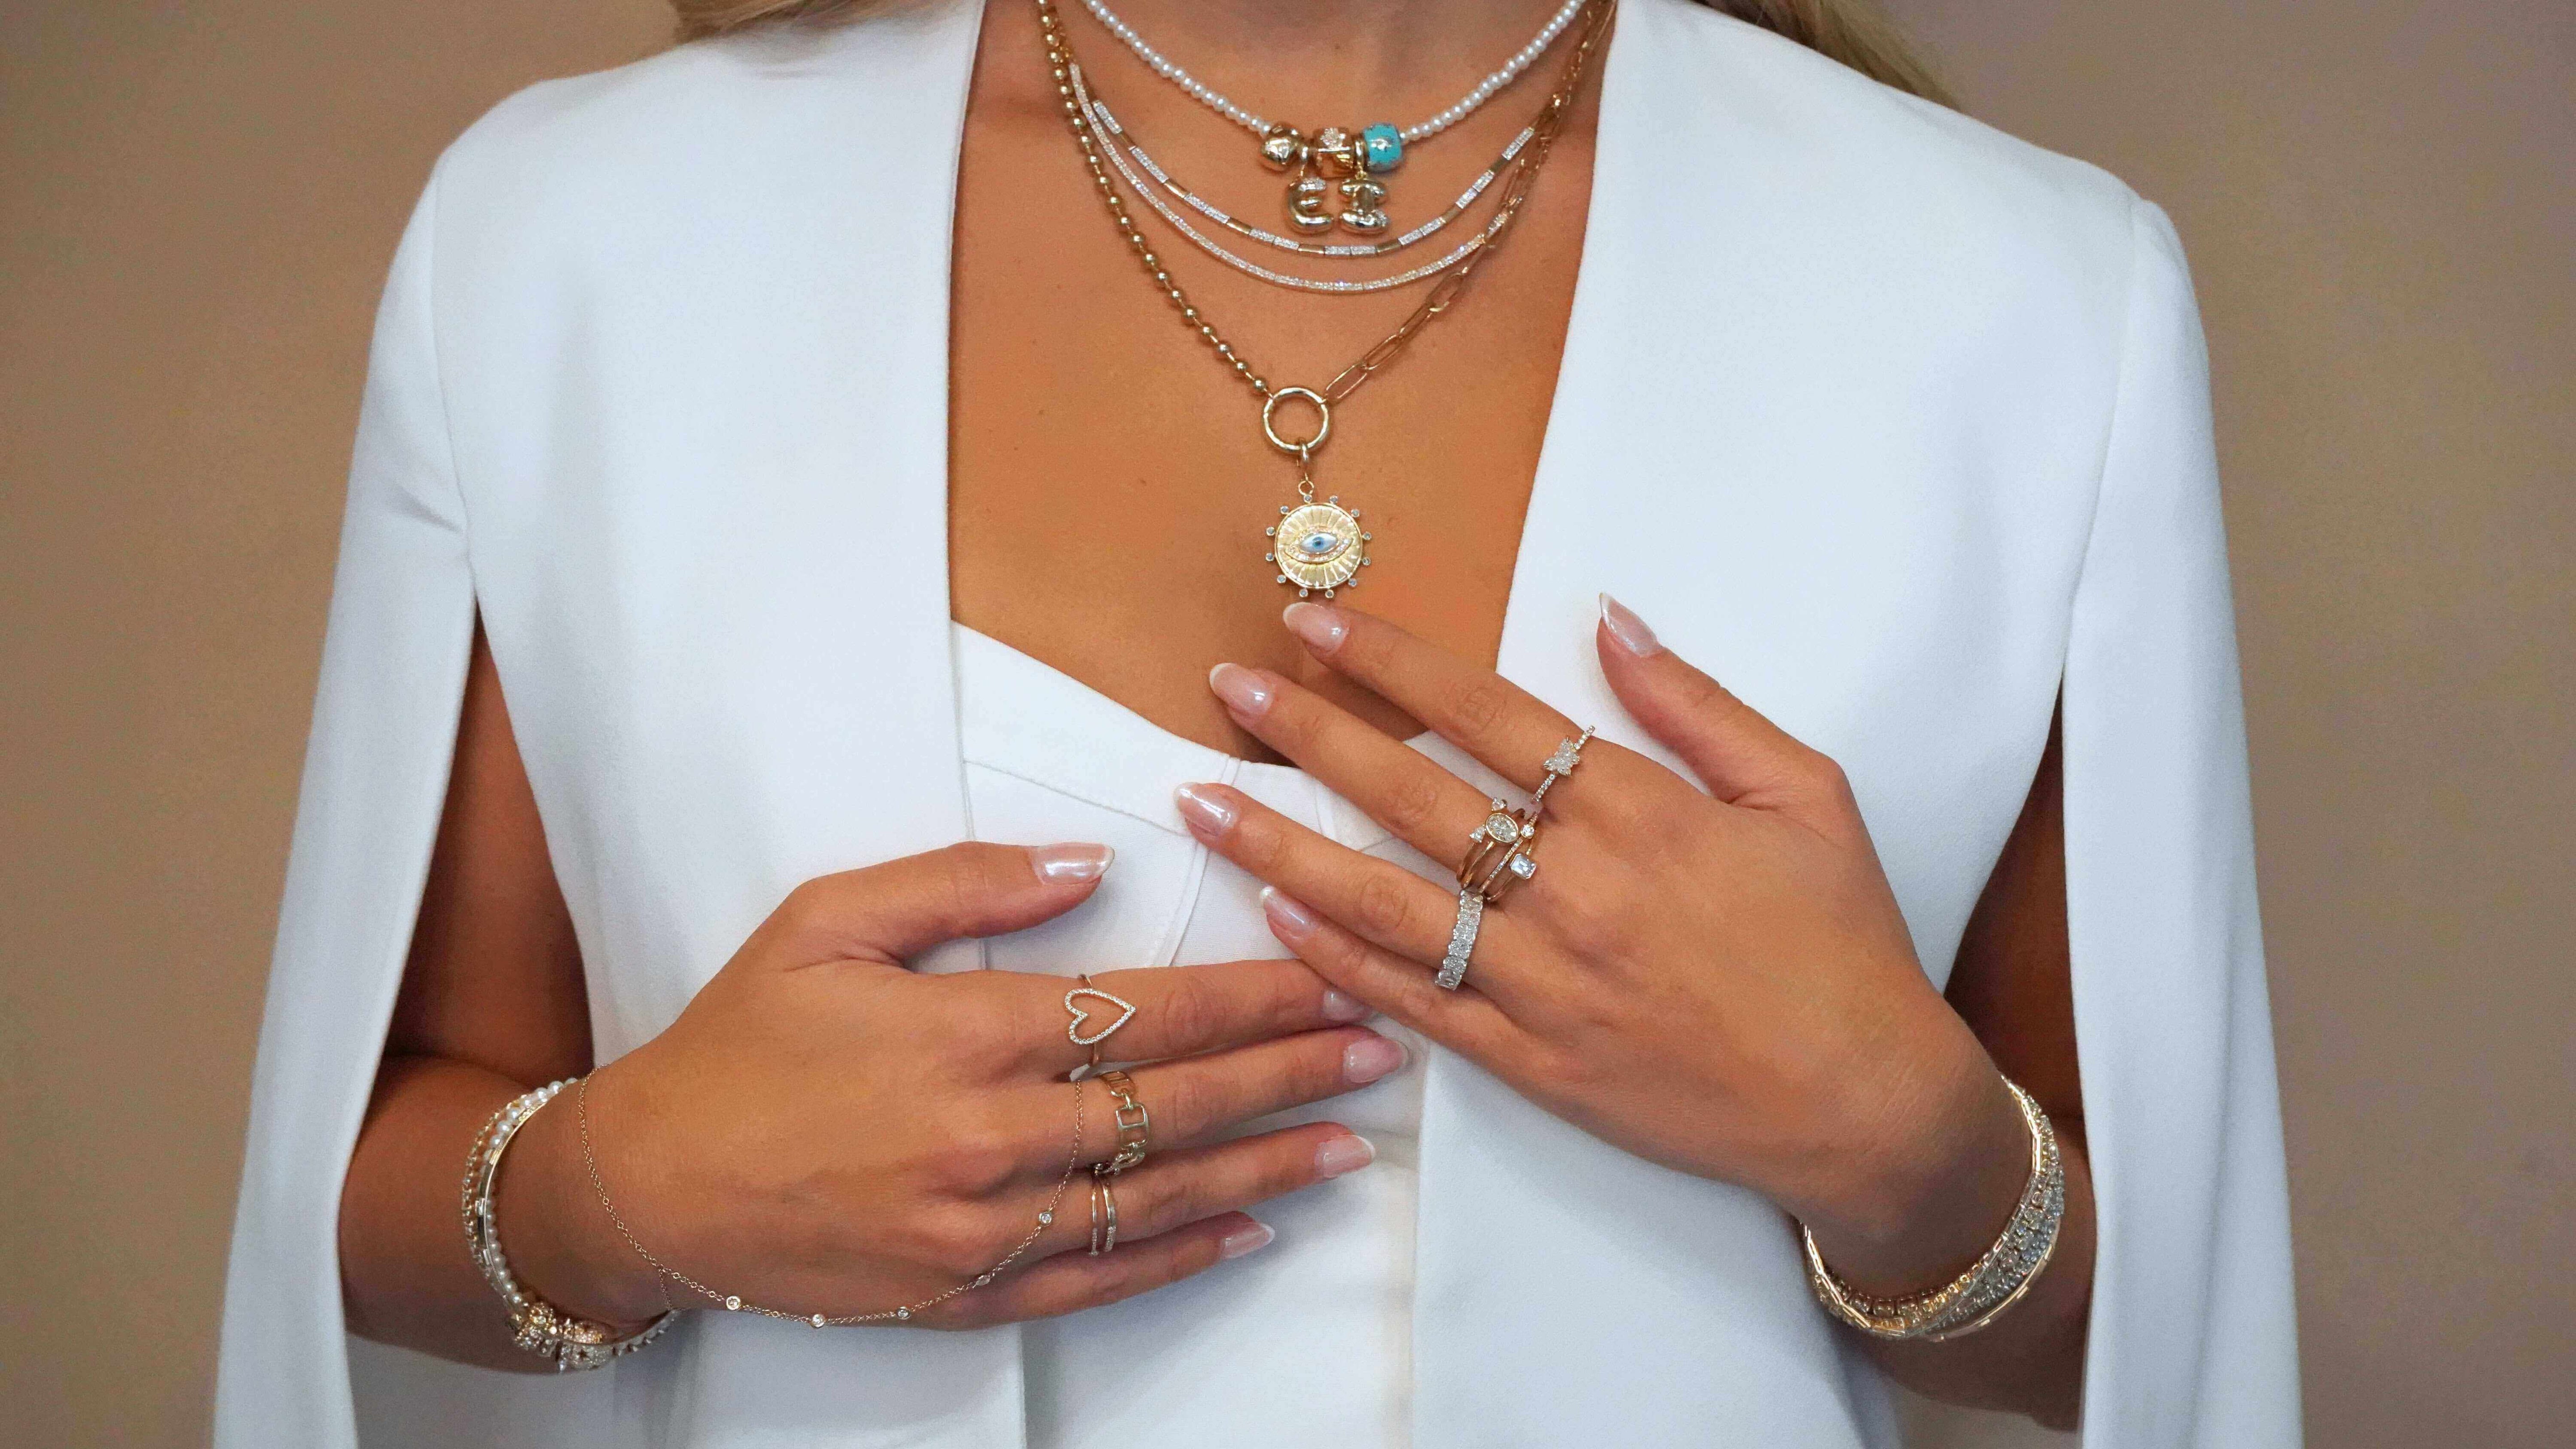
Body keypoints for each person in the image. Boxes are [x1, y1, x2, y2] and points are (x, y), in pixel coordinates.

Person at [215, 0, 2301, 1445]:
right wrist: (621, 1186)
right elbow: (372, 1179)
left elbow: (2158, 1340)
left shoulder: (2027, 298)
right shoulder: (578, 242)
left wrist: (1912, 1147)